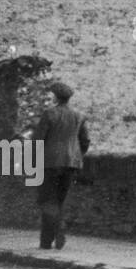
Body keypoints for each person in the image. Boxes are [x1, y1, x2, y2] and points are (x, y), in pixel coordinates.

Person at [32, 81, 89, 250]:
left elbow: (38, 140)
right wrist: (76, 156)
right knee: (59, 200)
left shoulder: (49, 114)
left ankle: (54, 234)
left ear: (56, 97)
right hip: (71, 164)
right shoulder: (79, 116)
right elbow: (85, 141)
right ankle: (50, 238)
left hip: (49, 163)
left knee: (46, 200)